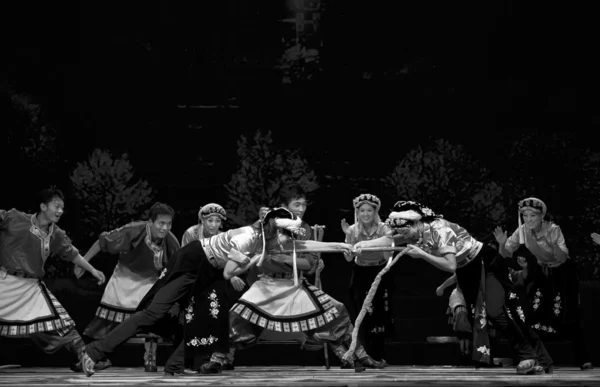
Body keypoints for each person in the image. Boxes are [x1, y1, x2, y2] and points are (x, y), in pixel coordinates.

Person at [79, 207, 353, 377]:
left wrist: (339, 246)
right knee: (153, 314)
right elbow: (228, 272)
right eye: (285, 235)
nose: (288, 243)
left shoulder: (270, 241)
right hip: (193, 261)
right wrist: (248, 262)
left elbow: (301, 248)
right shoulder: (247, 237)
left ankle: (175, 366)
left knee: (210, 318)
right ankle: (93, 352)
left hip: (210, 272)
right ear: (273, 230)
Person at [354, 200, 551, 375]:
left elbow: (450, 265)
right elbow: (390, 240)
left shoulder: (439, 230)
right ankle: (532, 359)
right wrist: (362, 244)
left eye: (406, 232)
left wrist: (422, 254)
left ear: (415, 223)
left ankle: (529, 356)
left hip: (484, 262)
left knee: (497, 310)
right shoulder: (415, 230)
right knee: (484, 315)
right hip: (467, 270)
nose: (405, 237)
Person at [222, 207, 386, 370]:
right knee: (236, 314)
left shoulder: (293, 244)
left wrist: (342, 246)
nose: (280, 232)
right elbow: (231, 267)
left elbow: (315, 246)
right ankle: (221, 359)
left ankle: (359, 356)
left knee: (336, 310)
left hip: (293, 288)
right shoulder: (258, 243)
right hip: (266, 287)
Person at [0, 187, 106, 370]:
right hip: (5, 281)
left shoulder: (55, 234)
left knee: (62, 322)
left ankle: (85, 360)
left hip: (31, 288)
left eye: (62, 208)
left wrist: (92, 269)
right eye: (56, 206)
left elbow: (72, 254)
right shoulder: (15, 218)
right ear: (43, 206)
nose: (60, 211)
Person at [78, 202, 180, 372]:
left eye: (169, 224)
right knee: (106, 322)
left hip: (150, 285)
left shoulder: (171, 241)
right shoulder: (134, 230)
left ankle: (150, 358)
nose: (165, 228)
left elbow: (179, 265)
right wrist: (83, 262)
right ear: (150, 222)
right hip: (123, 280)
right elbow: (103, 242)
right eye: (161, 223)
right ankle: (94, 356)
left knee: (150, 321)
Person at [494, 197, 593, 370]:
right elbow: (505, 255)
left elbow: (562, 257)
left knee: (569, 314)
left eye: (533, 215)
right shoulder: (523, 230)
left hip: (563, 272)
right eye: (525, 215)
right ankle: (537, 358)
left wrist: (553, 245)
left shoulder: (553, 229)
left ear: (542, 216)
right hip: (543, 271)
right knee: (534, 311)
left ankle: (583, 358)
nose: (528, 219)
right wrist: (502, 244)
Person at [341, 193, 394, 362]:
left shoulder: (383, 228)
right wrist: (349, 237)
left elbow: (387, 245)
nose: (365, 214)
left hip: (379, 272)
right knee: (361, 313)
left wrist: (366, 244)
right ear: (357, 212)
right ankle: (362, 355)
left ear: (375, 211)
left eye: (369, 210)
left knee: (378, 314)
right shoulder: (352, 230)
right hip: (360, 272)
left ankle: (378, 355)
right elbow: (348, 259)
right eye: (362, 210)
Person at [273, 185, 324, 285]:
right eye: (297, 205)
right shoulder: (270, 226)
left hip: (296, 283)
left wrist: (286, 259)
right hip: (269, 283)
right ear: (284, 206)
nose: (302, 209)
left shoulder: (305, 228)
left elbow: (309, 265)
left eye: (304, 205)